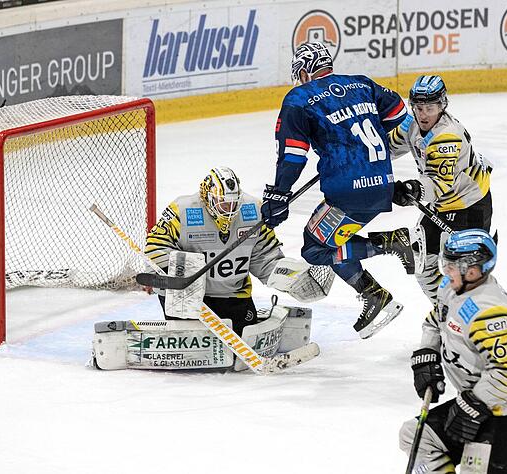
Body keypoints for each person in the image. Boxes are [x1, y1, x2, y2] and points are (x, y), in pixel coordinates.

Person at [260, 42, 413, 339]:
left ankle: (390, 246)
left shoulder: (299, 99)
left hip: (348, 191)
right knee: (329, 242)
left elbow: (293, 156)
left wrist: (279, 194)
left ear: (303, 71)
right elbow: (398, 116)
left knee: (315, 248)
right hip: (381, 183)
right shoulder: (362, 84)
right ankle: (374, 293)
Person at [398, 229, 507, 473]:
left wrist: (471, 406)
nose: (445, 270)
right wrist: (427, 353)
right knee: (416, 437)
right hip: (476, 400)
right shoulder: (450, 287)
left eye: (452, 265)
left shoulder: (490, 310)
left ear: (473, 269)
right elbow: (436, 320)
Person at [388, 75, 494, 305]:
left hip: (469, 205)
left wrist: (413, 189)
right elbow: (387, 148)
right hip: (442, 204)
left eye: (430, 107)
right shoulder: (410, 124)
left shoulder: (447, 137)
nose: (423, 114)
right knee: (420, 260)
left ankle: (470, 319)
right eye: (418, 107)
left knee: (464, 273)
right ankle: (445, 312)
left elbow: (438, 184)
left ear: (442, 105)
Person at [143, 166, 285, 336]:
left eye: (234, 203)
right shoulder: (182, 210)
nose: (230, 209)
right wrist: (170, 273)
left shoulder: (253, 209)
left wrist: (286, 276)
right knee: (194, 341)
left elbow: (264, 255)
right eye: (224, 203)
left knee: (244, 336)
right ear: (208, 197)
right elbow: (155, 246)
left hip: (234, 294)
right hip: (189, 299)